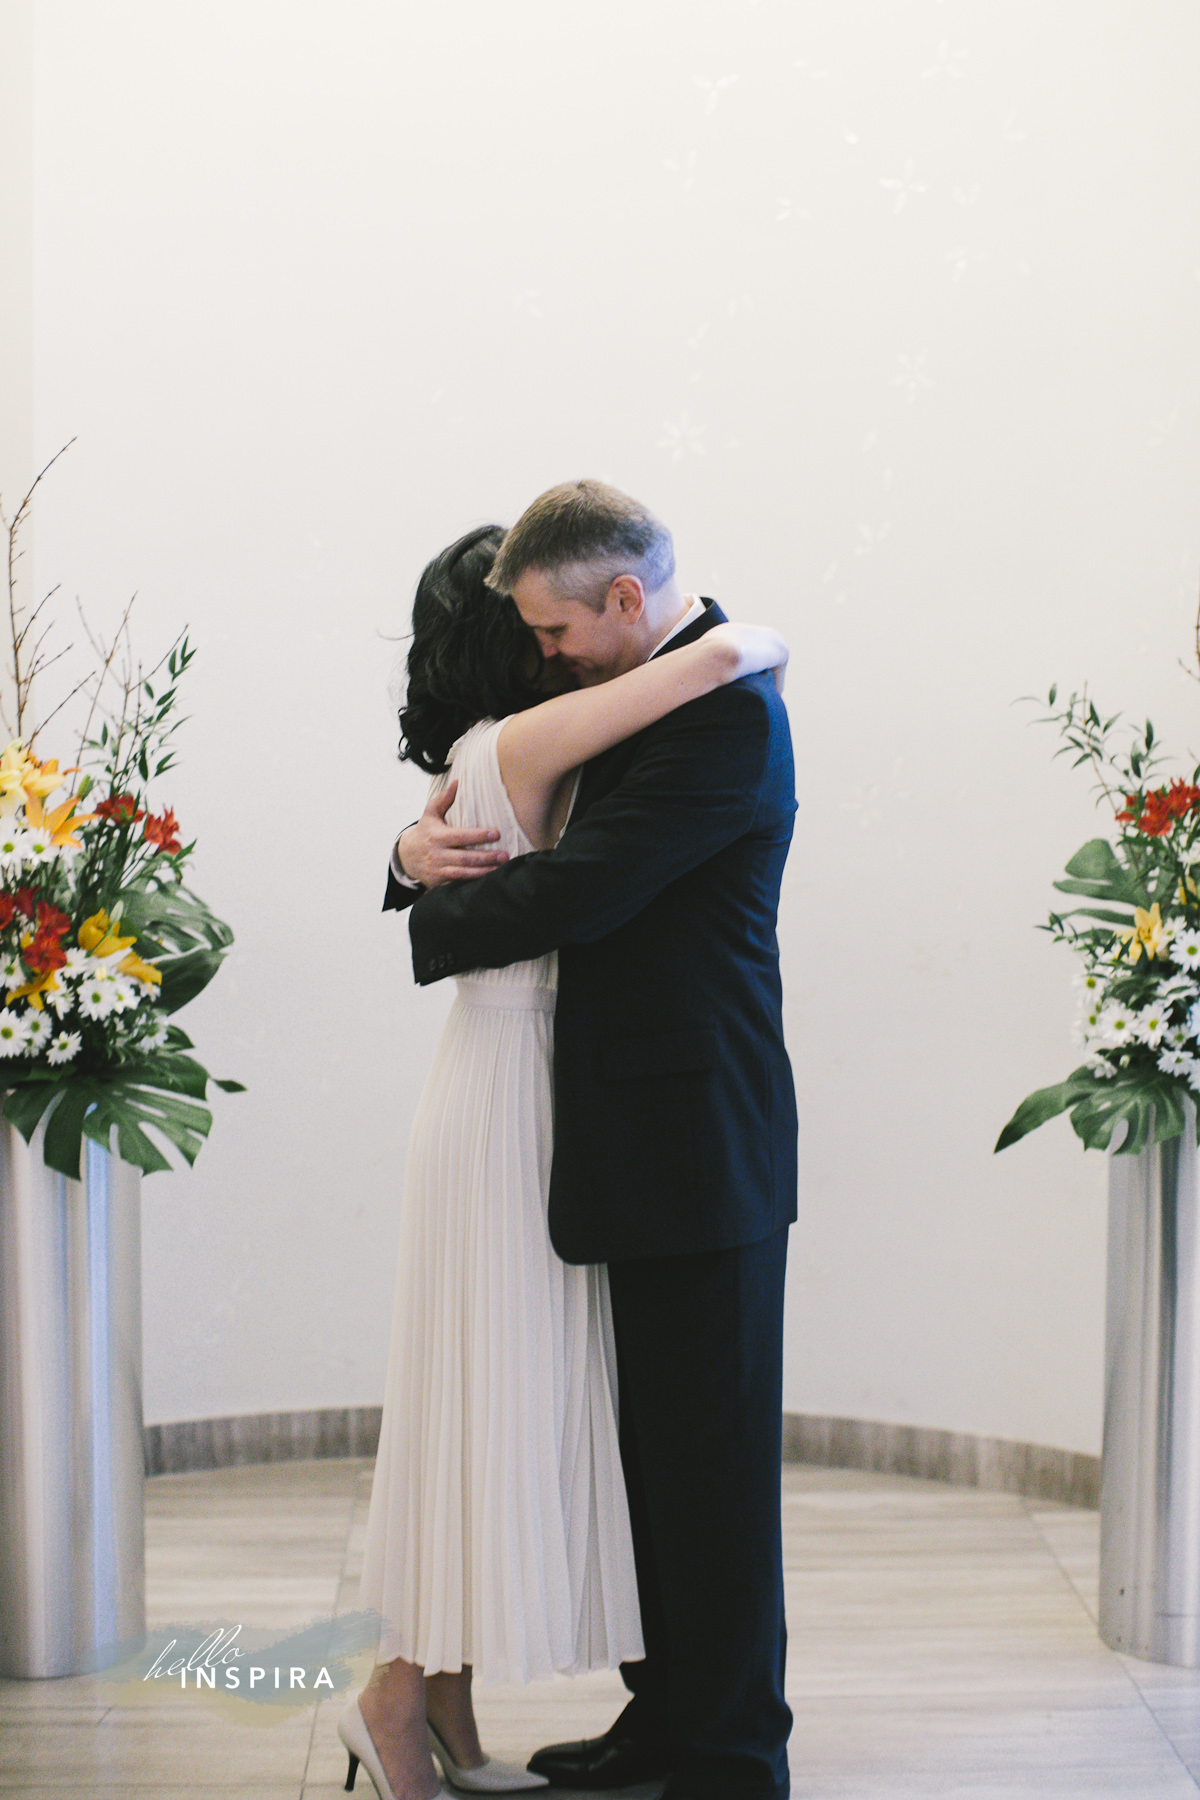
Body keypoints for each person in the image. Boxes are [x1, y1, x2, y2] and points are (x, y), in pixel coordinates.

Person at [339, 520, 788, 1800]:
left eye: (562, 627)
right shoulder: (594, 710)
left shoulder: (719, 711)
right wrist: (405, 860)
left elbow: (580, 893)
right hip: (561, 1114)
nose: (555, 651)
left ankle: (729, 1757)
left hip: (689, 1136)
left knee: (701, 1475)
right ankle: (654, 1718)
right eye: (533, 635)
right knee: (632, 1450)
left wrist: (417, 890)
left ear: (619, 600)